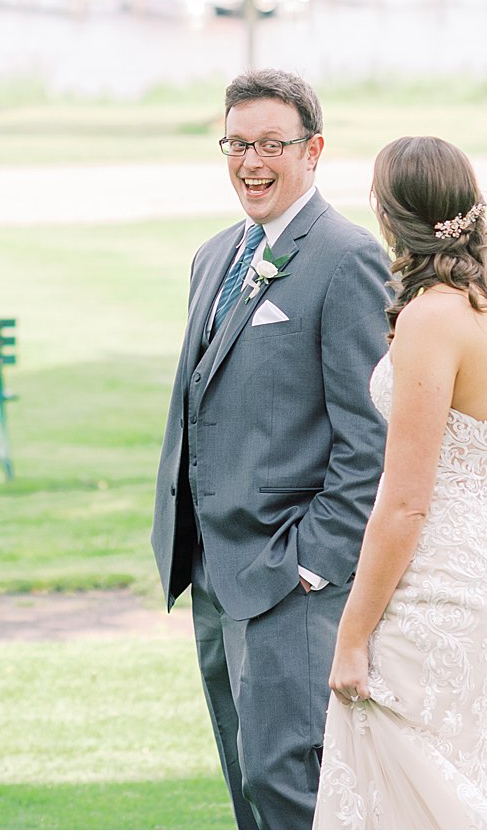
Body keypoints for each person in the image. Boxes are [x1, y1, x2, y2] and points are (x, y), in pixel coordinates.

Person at [149, 68, 392, 829]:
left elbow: (369, 437)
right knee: (245, 781)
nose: (251, 162)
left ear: (313, 149)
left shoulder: (347, 259)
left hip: (289, 577)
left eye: (271, 145)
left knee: (290, 783)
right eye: (236, 144)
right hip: (211, 567)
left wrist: (313, 564)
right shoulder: (213, 256)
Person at [315, 136, 487, 829]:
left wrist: (352, 634)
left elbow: (403, 502)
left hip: (436, 587)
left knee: (407, 786)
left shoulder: (431, 316)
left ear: (392, 215)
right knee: (459, 779)